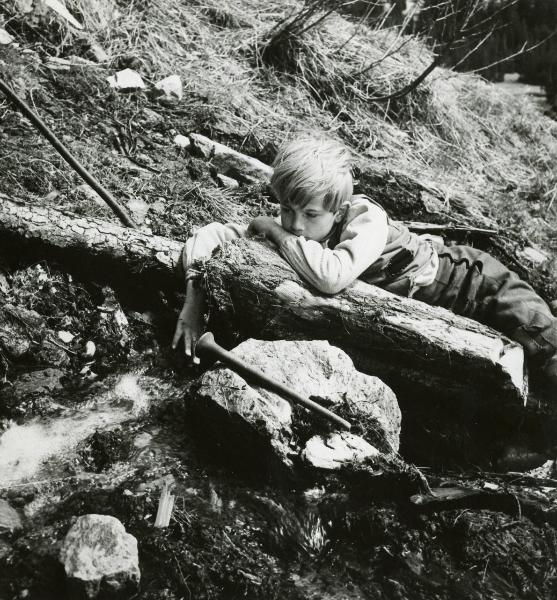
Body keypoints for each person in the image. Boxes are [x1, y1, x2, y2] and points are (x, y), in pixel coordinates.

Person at [172, 135, 557, 390]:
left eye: (309, 214)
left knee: (544, 344)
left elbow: (331, 277)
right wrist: (192, 306)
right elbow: (209, 237)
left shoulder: (365, 217)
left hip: (469, 282)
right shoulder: (296, 229)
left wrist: (276, 234)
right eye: (286, 210)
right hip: (429, 308)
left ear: (337, 210)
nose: (296, 224)